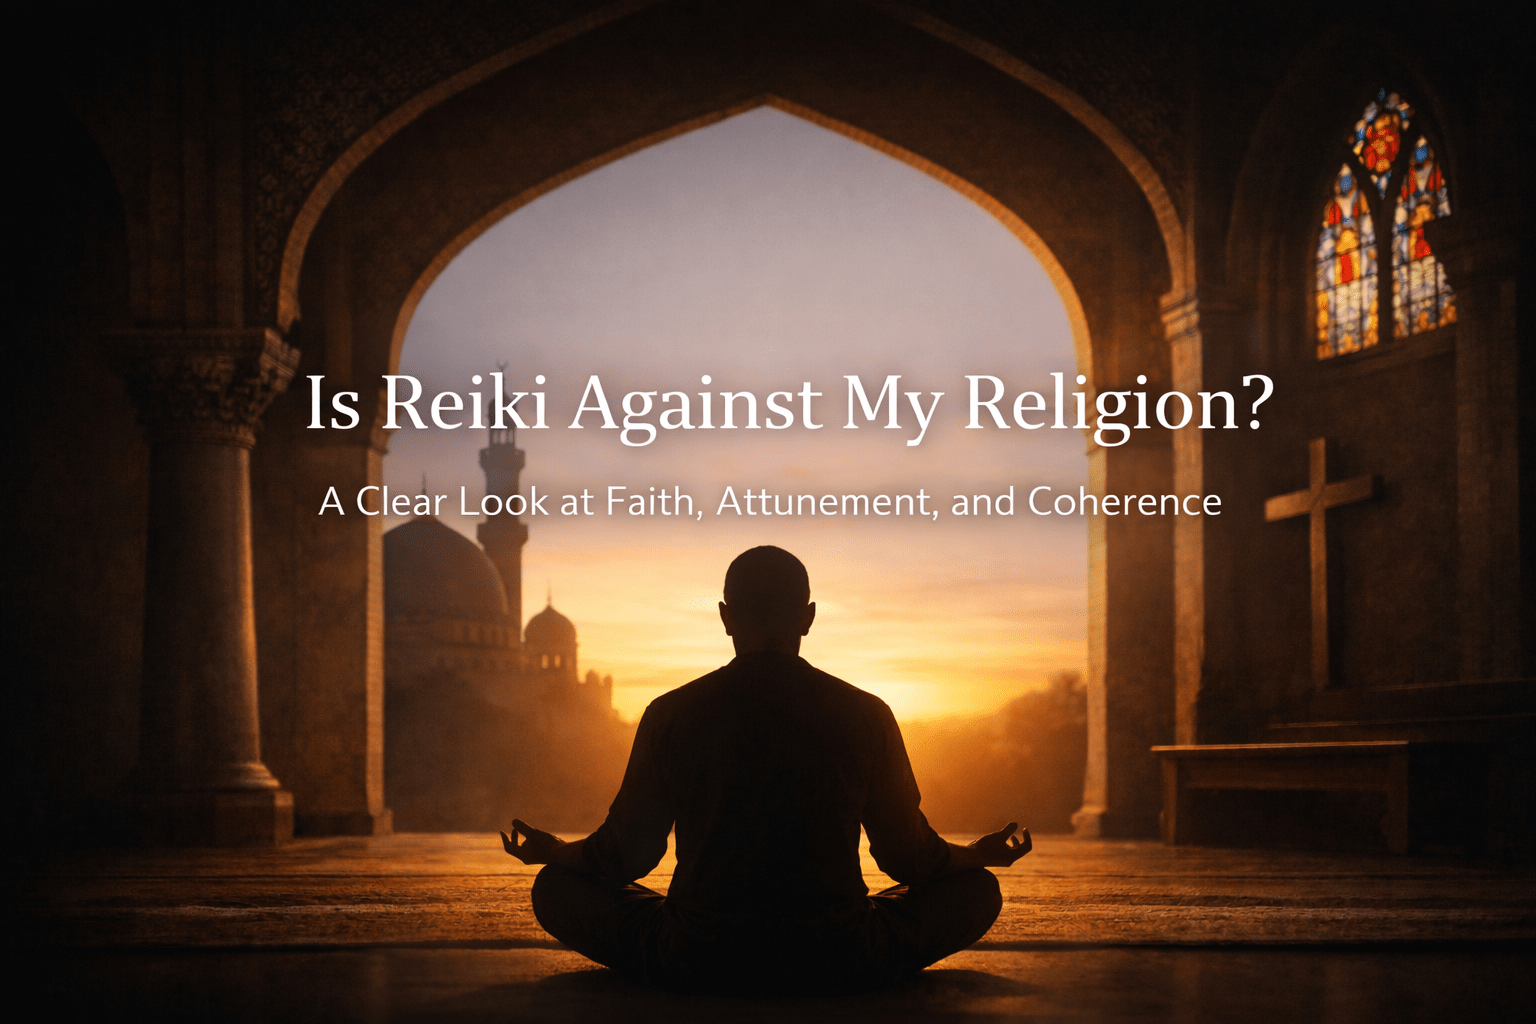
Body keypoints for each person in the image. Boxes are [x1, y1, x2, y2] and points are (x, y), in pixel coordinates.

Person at [501, 545, 1030, 994]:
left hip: (695, 956)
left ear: (726, 616)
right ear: (808, 617)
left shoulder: (671, 713)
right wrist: (973, 857)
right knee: (977, 891)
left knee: (555, 888)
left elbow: (625, 855)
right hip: (840, 956)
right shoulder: (866, 713)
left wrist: (555, 853)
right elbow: (909, 858)